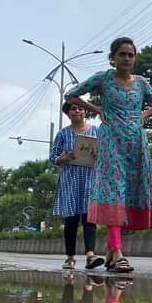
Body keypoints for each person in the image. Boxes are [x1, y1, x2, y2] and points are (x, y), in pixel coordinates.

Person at [67, 37, 152, 274]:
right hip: (111, 142)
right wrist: (97, 109)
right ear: (113, 58)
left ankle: (111, 251)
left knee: (127, 193)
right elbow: (72, 94)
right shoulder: (104, 78)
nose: (127, 59)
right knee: (113, 192)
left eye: (131, 55)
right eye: (122, 54)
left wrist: (145, 115)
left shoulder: (141, 83)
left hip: (135, 143)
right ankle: (118, 251)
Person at [49, 100, 104, 271]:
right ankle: (70, 257)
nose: (78, 111)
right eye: (73, 109)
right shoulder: (63, 134)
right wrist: (63, 158)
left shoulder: (96, 131)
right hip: (70, 179)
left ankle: (90, 255)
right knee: (71, 219)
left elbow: (105, 152)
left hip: (90, 178)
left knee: (89, 217)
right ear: (68, 113)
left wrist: (98, 155)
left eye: (80, 108)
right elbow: (52, 156)